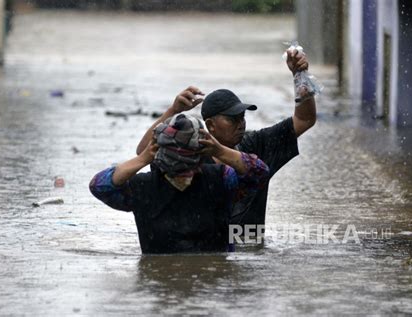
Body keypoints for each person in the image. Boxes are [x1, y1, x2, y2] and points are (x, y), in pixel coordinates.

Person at [136, 50, 315, 228]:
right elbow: (144, 152)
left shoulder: (256, 144)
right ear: (211, 125)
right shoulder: (188, 154)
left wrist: (300, 76)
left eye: (242, 117)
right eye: (232, 119)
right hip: (209, 246)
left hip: (249, 247)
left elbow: (304, 120)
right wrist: (173, 111)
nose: (241, 124)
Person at [89, 113, 269, 253]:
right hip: (209, 287)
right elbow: (99, 185)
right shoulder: (143, 188)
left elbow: (260, 173)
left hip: (189, 285)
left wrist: (220, 150)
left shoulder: (220, 179)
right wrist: (143, 157)